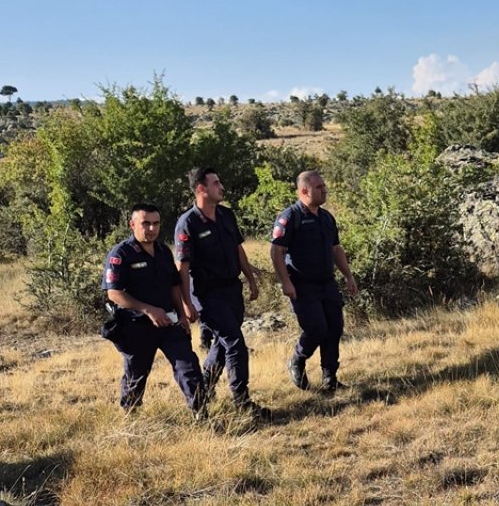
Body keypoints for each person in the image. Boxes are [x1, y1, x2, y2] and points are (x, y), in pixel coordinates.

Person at [175, 167, 267, 417]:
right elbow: (182, 269)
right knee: (235, 342)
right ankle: (242, 401)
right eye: (216, 183)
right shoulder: (188, 223)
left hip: (231, 289)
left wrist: (250, 278)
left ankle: (203, 388)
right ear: (201, 189)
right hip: (207, 293)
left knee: (224, 343)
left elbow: (238, 250)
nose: (222, 187)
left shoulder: (226, 215)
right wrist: (186, 303)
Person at [100, 203, 207, 418]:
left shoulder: (163, 251)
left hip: (169, 322)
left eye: (156, 223)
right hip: (136, 326)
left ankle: (201, 414)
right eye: (145, 223)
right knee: (136, 375)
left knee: (188, 367)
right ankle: (132, 417)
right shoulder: (121, 253)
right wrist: (148, 310)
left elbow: (173, 285)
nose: (151, 229)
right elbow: (114, 293)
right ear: (132, 225)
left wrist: (183, 313)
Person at [271, 170, 358, 392]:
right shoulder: (290, 217)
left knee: (334, 327)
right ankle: (297, 359)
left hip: (327, 283)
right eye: (319, 187)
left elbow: (336, 248)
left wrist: (348, 275)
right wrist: (286, 283)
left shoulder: (327, 217)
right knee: (316, 328)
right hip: (302, 285)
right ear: (304, 191)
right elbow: (276, 251)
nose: (324, 189)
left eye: (324, 185)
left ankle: (330, 378)